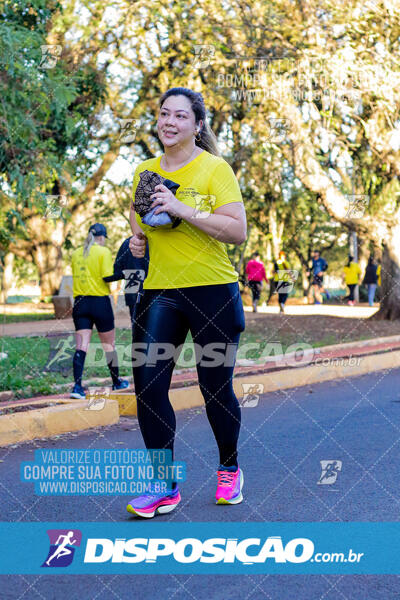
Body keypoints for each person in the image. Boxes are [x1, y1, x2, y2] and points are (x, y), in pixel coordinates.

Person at [126, 87, 247, 518]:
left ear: (197, 125)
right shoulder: (143, 170)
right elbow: (139, 223)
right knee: (148, 386)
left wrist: (183, 207)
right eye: (163, 114)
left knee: (215, 389)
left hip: (213, 291)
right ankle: (163, 486)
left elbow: (237, 232)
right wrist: (137, 241)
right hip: (161, 293)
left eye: (180, 115)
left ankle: (229, 468)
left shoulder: (215, 169)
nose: (169, 121)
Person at [70, 223, 129, 399]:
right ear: (102, 238)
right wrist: (124, 273)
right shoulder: (103, 252)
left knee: (81, 346)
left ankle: (77, 388)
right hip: (100, 303)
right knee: (109, 345)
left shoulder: (75, 253)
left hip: (80, 303)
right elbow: (106, 277)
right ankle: (117, 382)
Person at [103, 237, 149, 326]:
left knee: (137, 326)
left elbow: (117, 270)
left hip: (132, 287)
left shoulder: (127, 243)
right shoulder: (156, 241)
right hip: (154, 288)